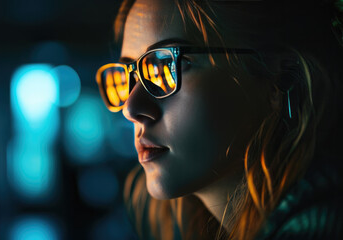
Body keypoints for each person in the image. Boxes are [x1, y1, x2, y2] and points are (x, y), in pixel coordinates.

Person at [95, 0, 343, 239]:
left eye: (167, 65)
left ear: (281, 79)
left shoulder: (322, 221)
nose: (130, 108)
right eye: (131, 75)